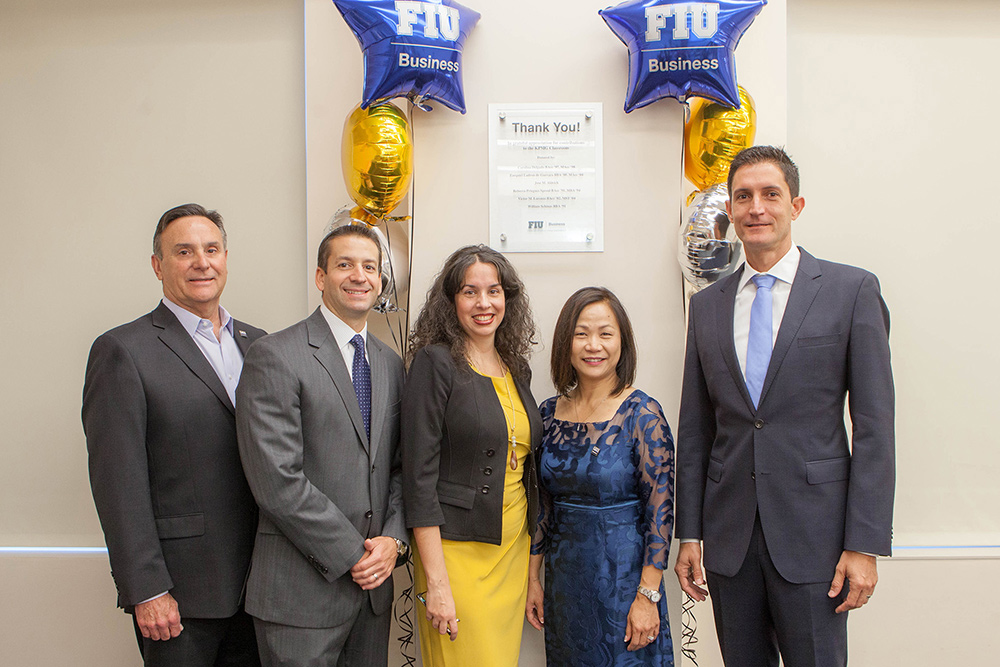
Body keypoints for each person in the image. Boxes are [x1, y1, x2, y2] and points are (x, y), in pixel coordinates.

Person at [674, 146, 895, 667]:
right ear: (729, 209)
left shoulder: (851, 291)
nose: (757, 208)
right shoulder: (706, 307)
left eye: (770, 195)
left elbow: (875, 429)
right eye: (744, 196)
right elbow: (695, 430)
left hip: (816, 540)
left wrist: (864, 544)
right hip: (729, 545)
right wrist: (690, 533)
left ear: (795, 206)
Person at [82, 203, 266, 666]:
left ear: (226, 257)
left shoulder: (261, 345)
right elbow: (117, 482)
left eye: (211, 249)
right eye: (183, 251)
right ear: (158, 265)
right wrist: (147, 590)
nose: (201, 262)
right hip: (182, 597)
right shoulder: (123, 350)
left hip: (264, 590)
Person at [235, 224, 407, 667]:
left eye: (370, 267)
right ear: (320, 277)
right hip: (300, 597)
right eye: (344, 264)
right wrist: (354, 555)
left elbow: (401, 467)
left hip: (372, 597)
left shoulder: (389, 362)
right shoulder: (275, 355)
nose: (359, 276)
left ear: (381, 281)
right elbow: (277, 481)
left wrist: (392, 539)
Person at [402, 245, 541, 666]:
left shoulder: (516, 366)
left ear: (507, 298)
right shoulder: (434, 364)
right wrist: (437, 583)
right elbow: (418, 478)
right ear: (451, 301)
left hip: (513, 548)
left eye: (494, 291)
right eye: (469, 291)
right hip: (456, 554)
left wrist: (534, 569)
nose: (484, 303)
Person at [526, 287, 675, 666]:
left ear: (622, 342)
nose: (594, 345)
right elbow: (541, 505)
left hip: (625, 585)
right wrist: (533, 579)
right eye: (582, 334)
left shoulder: (643, 414)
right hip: (565, 586)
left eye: (605, 334)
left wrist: (648, 596)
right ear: (566, 343)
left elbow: (661, 513)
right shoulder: (546, 414)